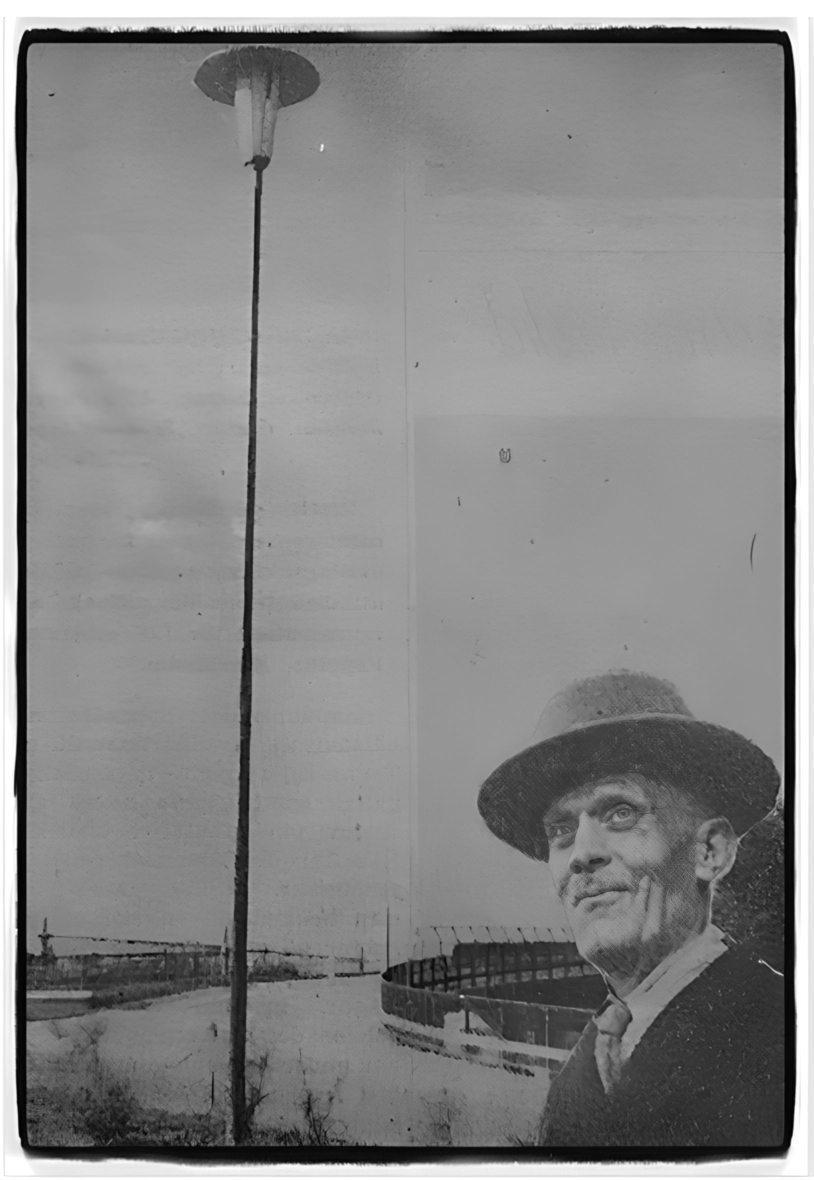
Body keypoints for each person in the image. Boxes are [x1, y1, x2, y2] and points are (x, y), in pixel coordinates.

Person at [477, 670, 787, 1150]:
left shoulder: (782, 1036)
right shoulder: (582, 1070)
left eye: (621, 813)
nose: (581, 854)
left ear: (709, 850)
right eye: (560, 830)